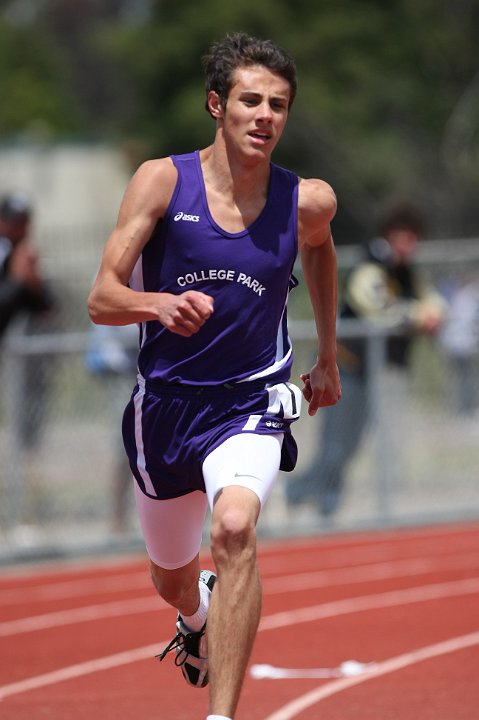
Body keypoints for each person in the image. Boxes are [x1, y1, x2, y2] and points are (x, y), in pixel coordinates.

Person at [88, 32, 341, 720]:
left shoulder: (304, 200)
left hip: (250, 403)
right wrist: (158, 304)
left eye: (278, 105)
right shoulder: (163, 182)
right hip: (165, 409)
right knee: (169, 578)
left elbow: (319, 250)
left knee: (233, 530)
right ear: (216, 105)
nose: (265, 116)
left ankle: (222, 716)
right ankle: (195, 615)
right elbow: (100, 298)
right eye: (250, 101)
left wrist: (326, 353)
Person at [286, 203, 446, 518]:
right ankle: (305, 493)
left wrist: (430, 313)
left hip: (373, 370)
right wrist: (416, 316)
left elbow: (432, 301)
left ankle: (322, 499)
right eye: (403, 236)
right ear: (391, 235)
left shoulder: (405, 270)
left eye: (413, 237)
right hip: (345, 366)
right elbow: (371, 302)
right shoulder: (373, 263)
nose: (408, 244)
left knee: (351, 443)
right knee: (337, 441)